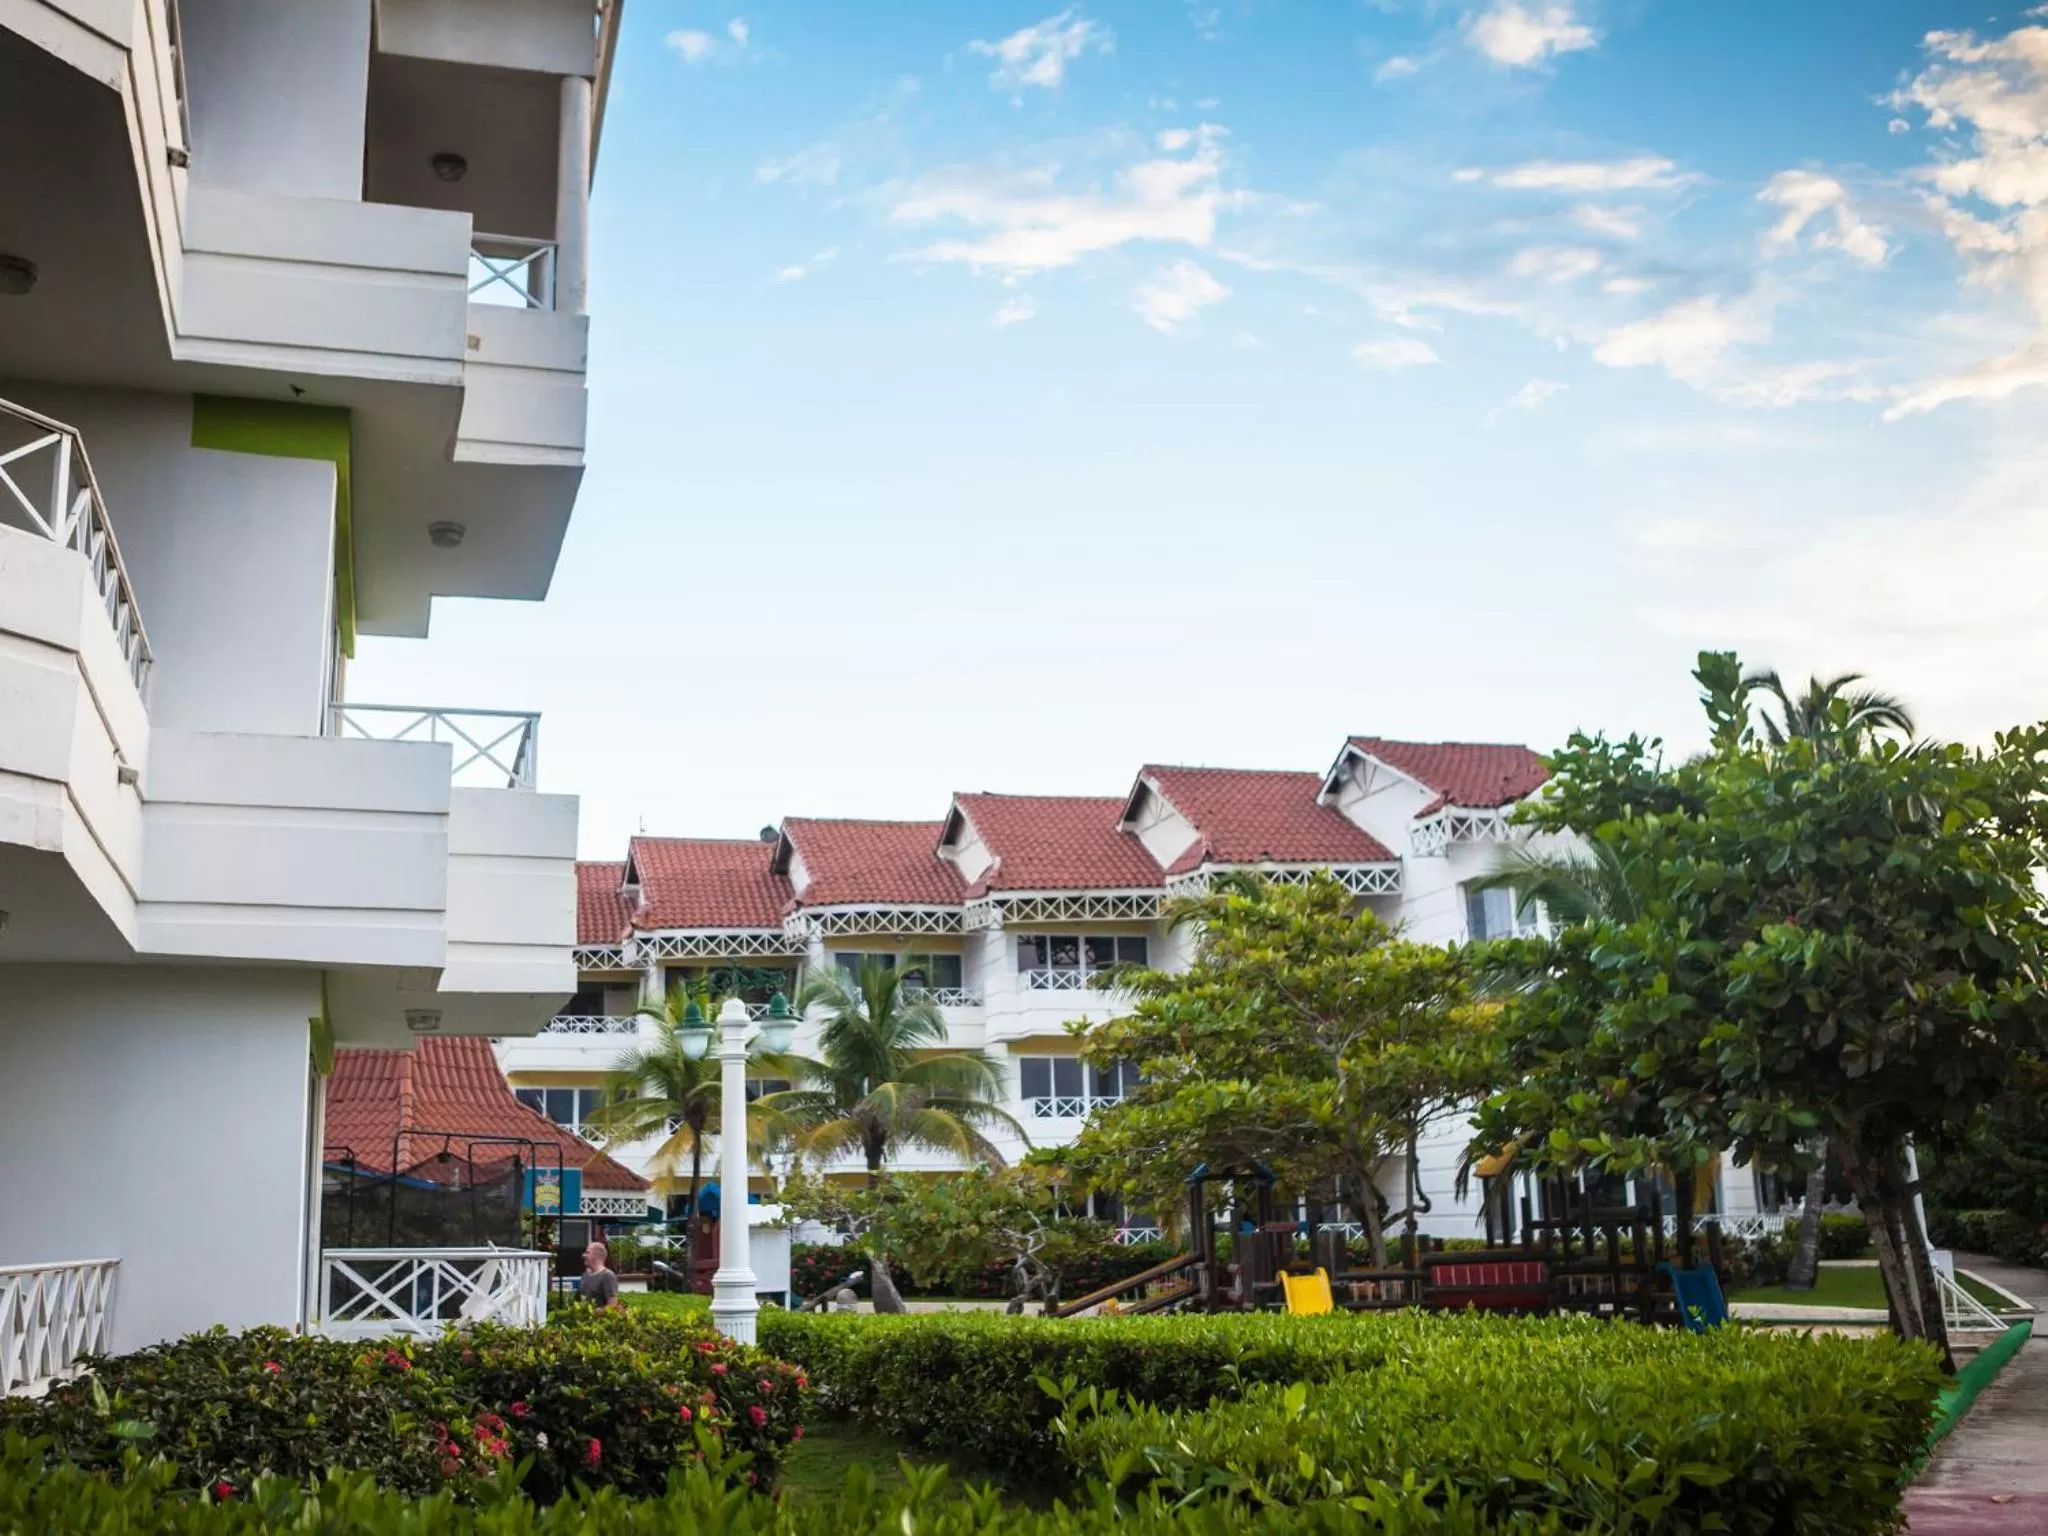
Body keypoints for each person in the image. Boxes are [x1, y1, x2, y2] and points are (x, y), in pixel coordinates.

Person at [580, 1240, 622, 1309]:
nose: (583, 1255)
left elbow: (612, 1306)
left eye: (587, 1252)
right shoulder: (585, 1274)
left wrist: (597, 1312)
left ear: (597, 1255)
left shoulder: (608, 1276)